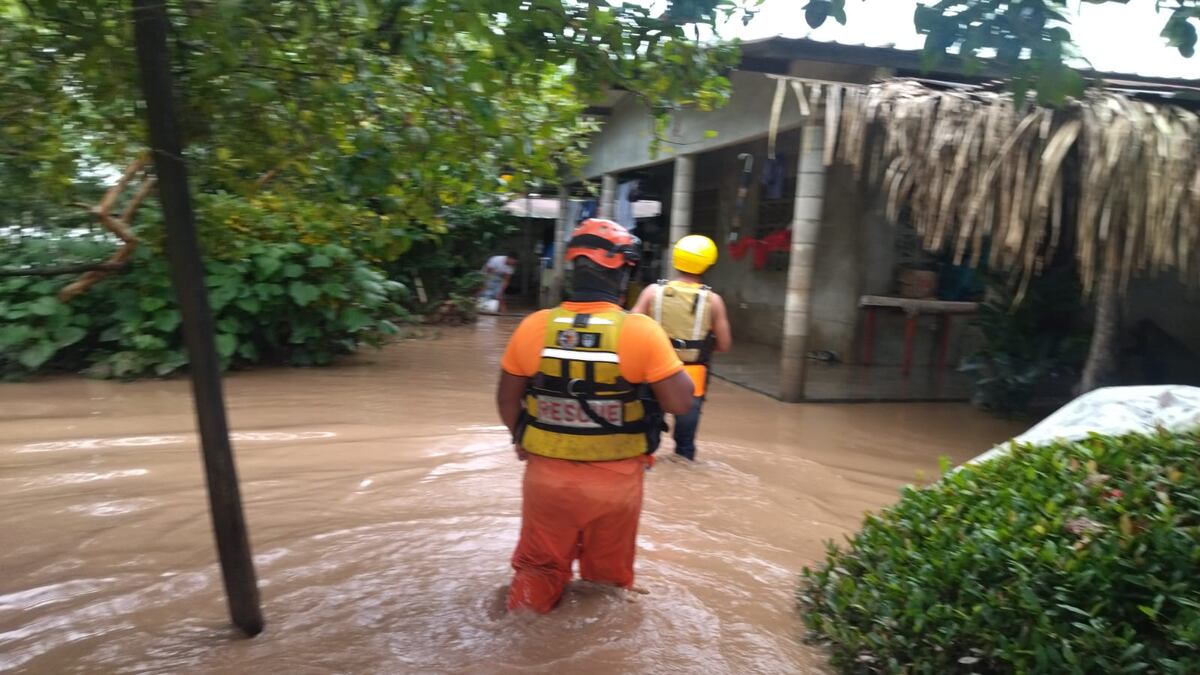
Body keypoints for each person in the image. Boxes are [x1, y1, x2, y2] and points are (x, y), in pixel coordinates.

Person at [496, 218, 695, 614]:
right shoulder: (641, 331)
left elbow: (506, 400)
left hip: (546, 479)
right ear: (623, 272)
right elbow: (680, 402)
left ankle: (520, 635)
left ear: (573, 269)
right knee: (606, 585)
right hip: (616, 485)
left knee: (537, 571)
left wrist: (522, 434)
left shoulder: (535, 326)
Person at [631, 234, 732, 461]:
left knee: (644, 442)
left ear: (676, 260)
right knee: (685, 448)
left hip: (652, 373)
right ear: (707, 264)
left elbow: (631, 330)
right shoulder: (713, 300)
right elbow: (724, 344)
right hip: (692, 376)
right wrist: (700, 349)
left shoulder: (651, 292)